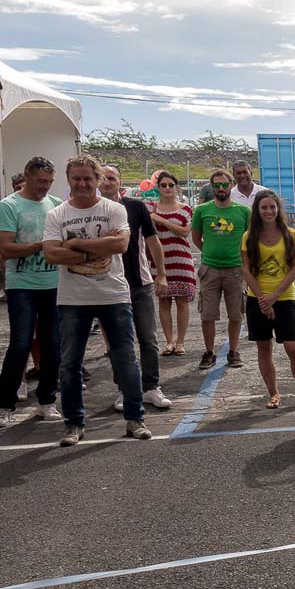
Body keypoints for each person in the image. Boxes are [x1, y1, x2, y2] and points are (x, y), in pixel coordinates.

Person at [42, 154, 151, 446]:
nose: (82, 183)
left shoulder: (114, 209)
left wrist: (75, 244)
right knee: (70, 364)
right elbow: (52, 253)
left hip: (113, 294)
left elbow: (121, 244)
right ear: (69, 180)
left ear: (98, 180)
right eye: (76, 178)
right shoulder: (57, 215)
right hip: (72, 298)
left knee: (125, 358)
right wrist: (96, 250)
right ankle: (74, 423)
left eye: (88, 178)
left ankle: (134, 418)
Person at [0, 157, 63, 428]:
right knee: (20, 344)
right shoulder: (9, 206)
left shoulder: (55, 204)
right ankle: (4, 405)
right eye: (41, 181)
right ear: (28, 177)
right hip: (22, 285)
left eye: (50, 182)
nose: (45, 187)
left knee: (52, 344)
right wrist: (42, 246)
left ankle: (47, 401)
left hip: (53, 285)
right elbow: (7, 249)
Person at [99, 165, 172, 411]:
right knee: (120, 343)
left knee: (148, 339)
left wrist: (161, 274)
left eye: (112, 178)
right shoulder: (93, 210)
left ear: (120, 182)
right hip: (109, 286)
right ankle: (125, 389)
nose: (107, 182)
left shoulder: (136, 207)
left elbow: (153, 241)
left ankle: (151, 387)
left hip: (140, 284)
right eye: (103, 178)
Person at [242, 190, 295, 410]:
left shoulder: (290, 234)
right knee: (263, 347)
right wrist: (262, 299)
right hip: (257, 299)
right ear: (257, 210)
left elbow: (294, 269)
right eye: (264, 207)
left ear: (278, 209)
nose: (268, 211)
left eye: (272, 207)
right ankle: (274, 394)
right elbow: (246, 270)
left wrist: (274, 297)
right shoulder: (249, 237)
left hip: (284, 298)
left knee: (293, 347)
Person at [192, 169, 251, 371]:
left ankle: (233, 351)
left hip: (235, 270)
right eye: (216, 185)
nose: (221, 188)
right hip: (210, 270)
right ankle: (209, 352)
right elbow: (196, 238)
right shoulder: (202, 211)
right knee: (207, 314)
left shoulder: (243, 212)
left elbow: (249, 240)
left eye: (224, 184)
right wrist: (210, 253)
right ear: (211, 187)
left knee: (235, 314)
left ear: (230, 185)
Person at [149, 171, 197, 355]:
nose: (168, 188)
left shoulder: (185, 209)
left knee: (182, 301)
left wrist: (162, 220)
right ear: (158, 188)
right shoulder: (152, 209)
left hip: (181, 259)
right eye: (164, 185)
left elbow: (185, 232)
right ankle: (169, 341)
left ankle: (181, 341)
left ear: (177, 188)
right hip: (160, 261)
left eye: (171, 185)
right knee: (164, 301)